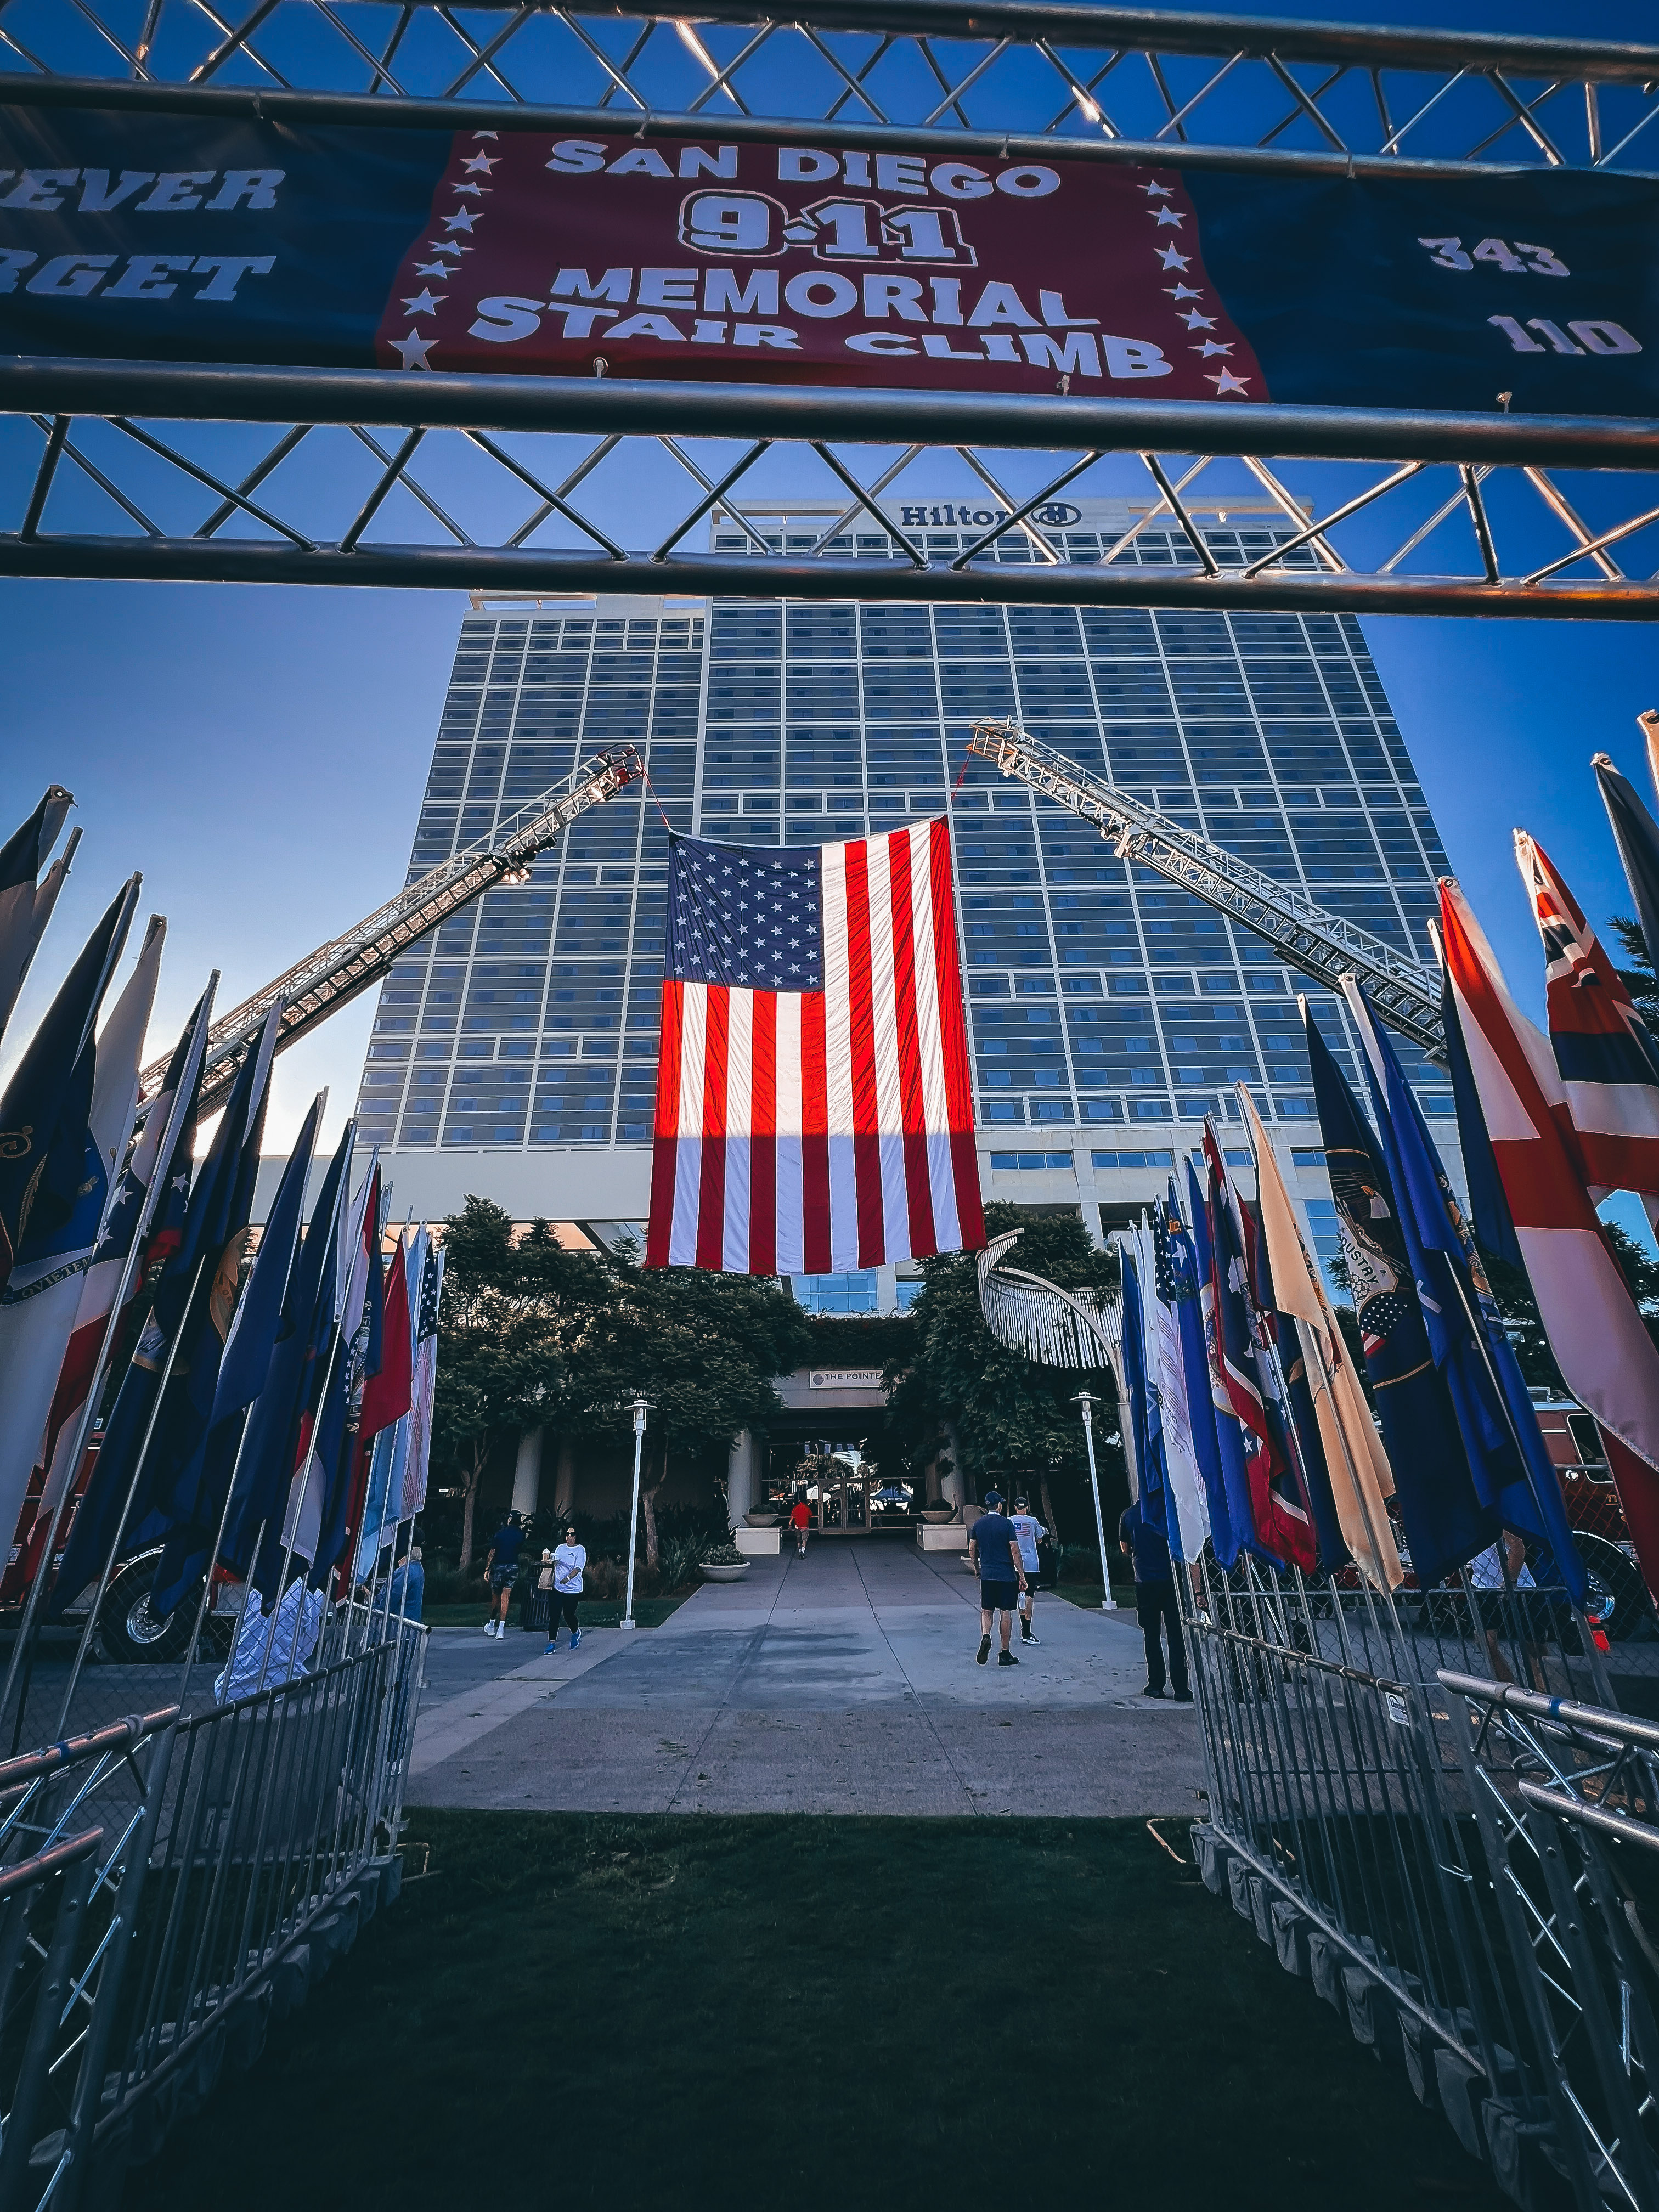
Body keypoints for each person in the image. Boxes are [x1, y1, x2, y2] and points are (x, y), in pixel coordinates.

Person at [1118, 1499, 1190, 1700]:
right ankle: (1181, 1688)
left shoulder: (1129, 1515)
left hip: (1145, 1580)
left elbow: (1125, 1548)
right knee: (1175, 1634)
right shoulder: (1168, 1512)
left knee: (1151, 1634)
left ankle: (1156, 1684)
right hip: (1171, 1579)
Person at [1469, 1528, 1547, 1691]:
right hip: (1483, 1586)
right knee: (1486, 1641)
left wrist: (1509, 1583)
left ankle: (1541, 1694)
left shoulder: (1494, 1516)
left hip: (1518, 1586)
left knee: (1532, 1648)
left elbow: (1518, 1547)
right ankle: (1511, 1693)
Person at [967, 1488, 1026, 1668]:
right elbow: (1015, 1550)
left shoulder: (978, 1525)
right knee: (1005, 1612)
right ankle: (1005, 1653)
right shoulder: (1007, 1525)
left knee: (987, 1610)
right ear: (999, 1505)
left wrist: (977, 1569)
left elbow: (972, 1549)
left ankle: (986, 1636)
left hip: (988, 1575)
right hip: (1006, 1576)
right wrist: (1022, 1575)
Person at [1009, 1495, 1048, 1646]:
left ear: (1015, 1508)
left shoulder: (1010, 1521)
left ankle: (1023, 1630)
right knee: (1029, 1596)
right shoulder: (1033, 1521)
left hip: (1014, 1564)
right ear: (1027, 1507)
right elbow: (1039, 1539)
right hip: (1031, 1564)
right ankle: (1026, 1631)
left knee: (1020, 1596)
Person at [482, 1512, 525, 1639]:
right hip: (513, 1567)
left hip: (499, 1566)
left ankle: (491, 1623)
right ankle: (501, 1628)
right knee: (506, 1597)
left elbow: (493, 1552)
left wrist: (487, 1569)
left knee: (496, 1597)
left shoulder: (500, 1534)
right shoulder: (520, 1535)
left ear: (510, 1520)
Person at [547, 1524, 586, 1652]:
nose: (569, 1537)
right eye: (567, 1534)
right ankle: (551, 1643)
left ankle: (576, 1632)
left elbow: (578, 1568)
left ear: (576, 1536)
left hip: (573, 1589)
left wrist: (568, 1578)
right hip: (558, 1587)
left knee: (568, 1615)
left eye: (572, 1534)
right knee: (554, 1615)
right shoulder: (560, 1548)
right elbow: (556, 1561)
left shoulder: (580, 1550)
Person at [388, 1546, 424, 1624]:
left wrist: (375, 1603)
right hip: (412, 1618)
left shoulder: (403, 1571)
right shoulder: (418, 1568)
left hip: (400, 1621)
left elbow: (391, 1598)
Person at [789, 1492, 812, 1557]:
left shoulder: (795, 1508)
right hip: (805, 1526)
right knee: (805, 1540)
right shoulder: (807, 1508)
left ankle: (800, 1552)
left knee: (799, 1540)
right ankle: (803, 1551)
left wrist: (790, 1524)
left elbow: (792, 1517)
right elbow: (810, 1516)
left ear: (799, 1501)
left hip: (797, 1527)